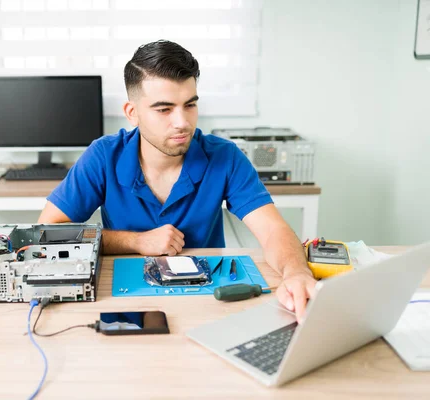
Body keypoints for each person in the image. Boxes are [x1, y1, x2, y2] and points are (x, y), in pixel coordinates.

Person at [38, 40, 316, 323]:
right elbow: (48, 231)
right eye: (164, 109)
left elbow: (273, 231)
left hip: (208, 303)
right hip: (124, 304)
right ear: (132, 113)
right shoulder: (103, 156)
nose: (182, 122)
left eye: (190, 105)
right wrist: (135, 241)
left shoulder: (224, 156)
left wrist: (296, 272)